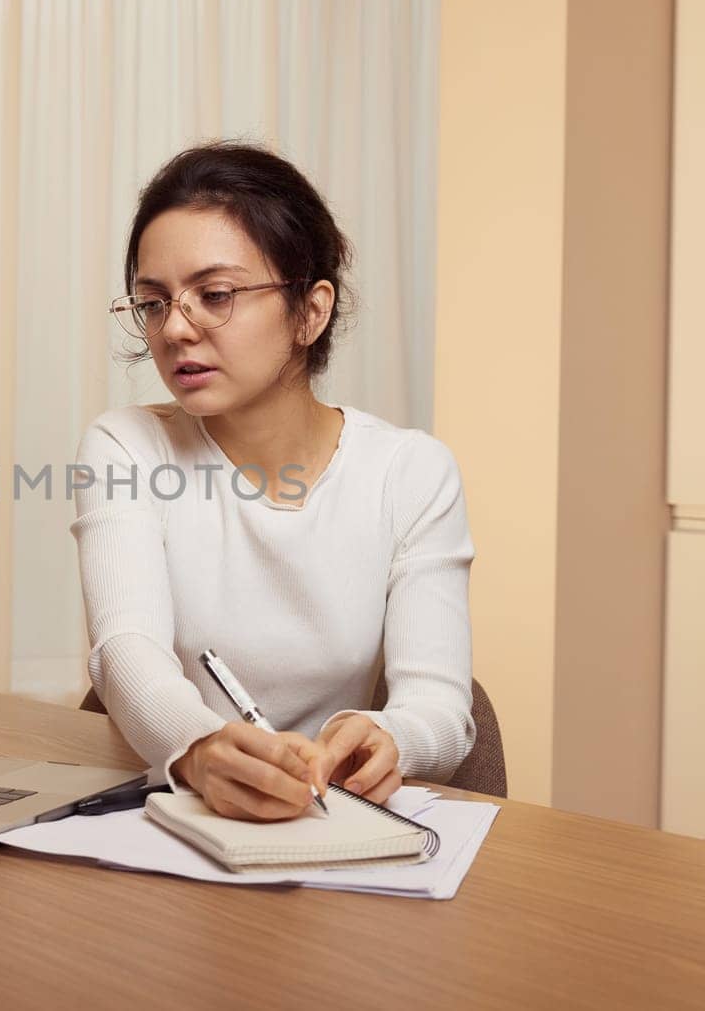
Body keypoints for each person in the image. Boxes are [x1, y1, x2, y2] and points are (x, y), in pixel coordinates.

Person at [71, 140, 475, 821]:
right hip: (172, 821)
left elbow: (441, 706)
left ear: (310, 312)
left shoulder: (409, 472)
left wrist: (393, 736)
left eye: (215, 295)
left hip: (330, 822)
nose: (175, 328)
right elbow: (125, 649)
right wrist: (199, 748)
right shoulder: (126, 446)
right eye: (153, 302)